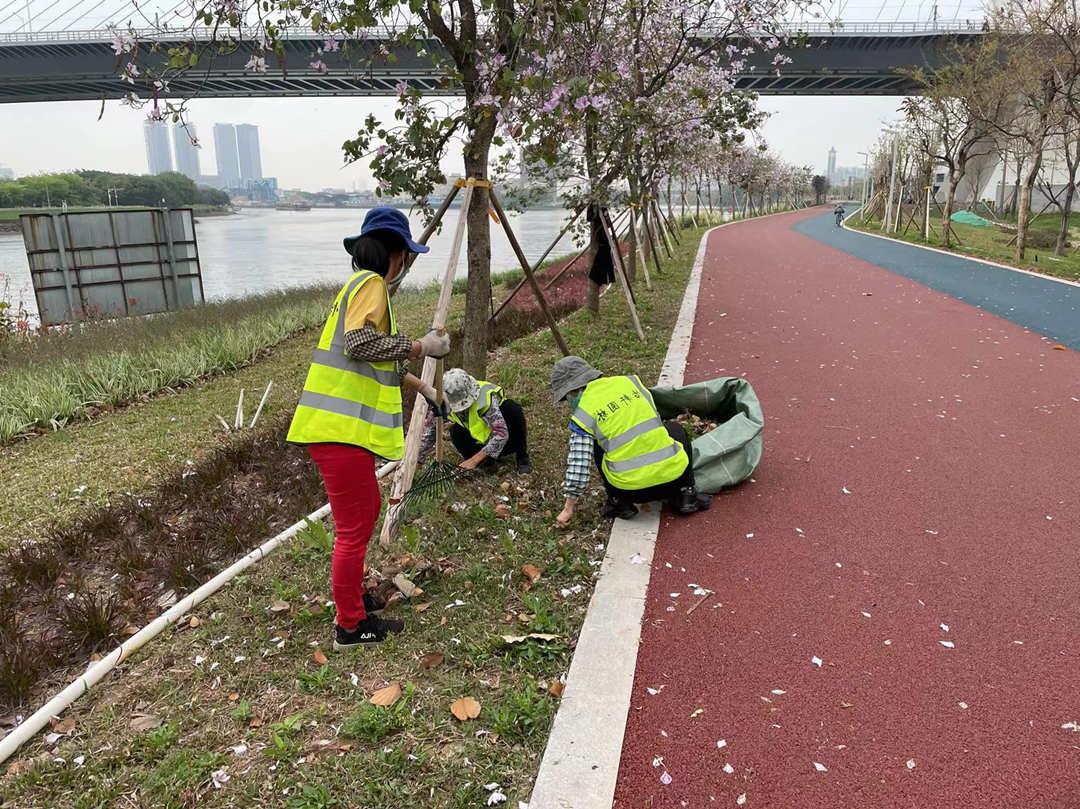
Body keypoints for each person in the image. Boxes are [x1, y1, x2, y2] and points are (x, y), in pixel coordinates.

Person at [286, 206, 451, 650]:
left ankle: (354, 601)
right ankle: (350, 626)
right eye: (406, 255)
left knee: (363, 512)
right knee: (355, 526)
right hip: (339, 431)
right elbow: (361, 346)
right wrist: (422, 345)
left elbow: (380, 365)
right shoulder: (372, 284)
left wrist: (428, 389)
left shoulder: (357, 288)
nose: (405, 265)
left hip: (339, 431)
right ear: (394, 253)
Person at [549, 356, 710, 527]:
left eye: (567, 398)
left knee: (598, 443)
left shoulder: (583, 415)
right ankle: (687, 493)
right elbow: (654, 420)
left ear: (573, 391)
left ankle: (619, 503)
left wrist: (568, 509)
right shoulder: (631, 382)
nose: (569, 403)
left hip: (631, 493)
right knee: (674, 429)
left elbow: (579, 465)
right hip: (673, 480)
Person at [417, 368, 532, 473]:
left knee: (513, 409)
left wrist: (473, 461)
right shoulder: (441, 402)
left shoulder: (484, 398)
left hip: (506, 442)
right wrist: (417, 460)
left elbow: (501, 435)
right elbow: (430, 432)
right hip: (479, 443)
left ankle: (522, 457)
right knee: (456, 431)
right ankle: (487, 463)